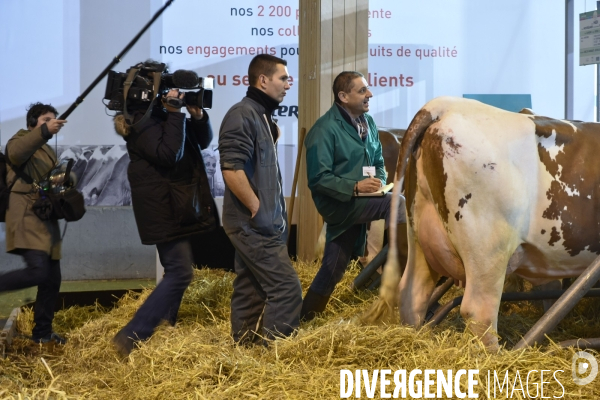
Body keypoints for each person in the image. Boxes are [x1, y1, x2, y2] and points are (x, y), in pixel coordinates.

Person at [112, 64, 217, 356]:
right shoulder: (140, 121)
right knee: (181, 272)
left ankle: (163, 326)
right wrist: (174, 113)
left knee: (176, 270)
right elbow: (168, 154)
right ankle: (133, 334)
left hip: (175, 204)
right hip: (163, 207)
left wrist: (197, 118)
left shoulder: (158, 116)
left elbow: (201, 143)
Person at [301, 71, 407, 321]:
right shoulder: (323, 130)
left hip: (361, 199)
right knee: (397, 204)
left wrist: (380, 179)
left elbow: (378, 160)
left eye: (367, 89)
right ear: (343, 96)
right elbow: (318, 179)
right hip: (342, 204)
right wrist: (356, 188)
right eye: (362, 91)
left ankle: (304, 319)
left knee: (334, 267)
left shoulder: (368, 123)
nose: (370, 94)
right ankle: (408, 277)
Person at [218, 54, 302, 344]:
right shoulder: (242, 114)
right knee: (287, 288)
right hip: (251, 223)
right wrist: (256, 207)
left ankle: (244, 350)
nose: (288, 85)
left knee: (251, 287)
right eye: (283, 78)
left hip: (259, 223)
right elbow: (231, 169)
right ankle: (276, 355)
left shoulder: (262, 115)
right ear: (263, 80)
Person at [0, 103, 67, 345]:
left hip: (45, 219)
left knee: (52, 279)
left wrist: (66, 179)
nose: (52, 123)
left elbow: (51, 179)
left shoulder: (46, 149)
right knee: (38, 271)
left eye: (53, 119)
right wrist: (45, 131)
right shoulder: (19, 140)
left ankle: (42, 334)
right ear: (32, 123)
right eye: (45, 120)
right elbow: (16, 154)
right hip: (26, 216)